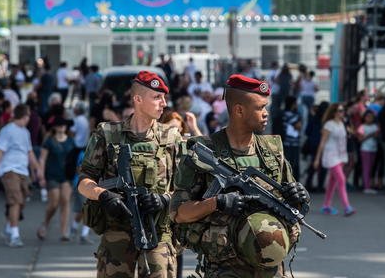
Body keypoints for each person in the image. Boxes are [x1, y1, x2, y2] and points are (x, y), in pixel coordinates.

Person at [170, 74, 309, 277]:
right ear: (239, 110)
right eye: (260, 107)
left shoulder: (271, 151)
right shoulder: (204, 152)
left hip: (270, 266)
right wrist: (216, 203)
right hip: (225, 266)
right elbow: (178, 213)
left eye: (266, 107)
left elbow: (291, 203)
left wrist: (298, 194)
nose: (266, 113)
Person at [78, 71, 182, 277]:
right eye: (157, 97)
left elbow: (187, 188)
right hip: (116, 232)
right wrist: (103, 195)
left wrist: (164, 199)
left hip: (158, 233)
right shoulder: (107, 134)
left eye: (164, 98)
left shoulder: (171, 138)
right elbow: (84, 180)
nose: (163, 103)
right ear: (137, 99)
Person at [0, 104, 43, 247]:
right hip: (9, 169)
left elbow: (29, 152)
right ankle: (15, 235)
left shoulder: (25, 132)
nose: (30, 118)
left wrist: (37, 169)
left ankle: (8, 227)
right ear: (24, 116)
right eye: (29, 115)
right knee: (15, 201)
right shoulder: (7, 130)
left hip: (23, 170)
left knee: (21, 202)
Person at [36, 116, 76, 241]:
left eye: (64, 125)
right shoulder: (49, 141)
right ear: (55, 127)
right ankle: (45, 223)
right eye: (59, 125)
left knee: (65, 200)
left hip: (67, 176)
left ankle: (64, 232)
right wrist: (41, 174)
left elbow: (74, 159)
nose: (62, 127)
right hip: (52, 174)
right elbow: (42, 159)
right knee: (53, 203)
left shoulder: (71, 141)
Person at [313, 103, 356, 216]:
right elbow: (322, 142)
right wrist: (317, 158)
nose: (342, 112)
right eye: (340, 110)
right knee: (341, 180)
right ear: (334, 112)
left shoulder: (343, 123)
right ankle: (347, 207)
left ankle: (326, 205)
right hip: (331, 155)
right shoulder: (329, 124)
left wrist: (349, 129)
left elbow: (350, 135)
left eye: (343, 110)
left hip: (340, 155)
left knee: (332, 182)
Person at [357, 109, 378, 194]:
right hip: (365, 149)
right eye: (368, 117)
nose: (369, 118)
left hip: (374, 149)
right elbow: (360, 139)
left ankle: (368, 184)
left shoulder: (375, 126)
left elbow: (377, 136)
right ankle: (366, 186)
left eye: (371, 117)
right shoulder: (362, 127)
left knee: (371, 168)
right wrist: (371, 135)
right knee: (366, 168)